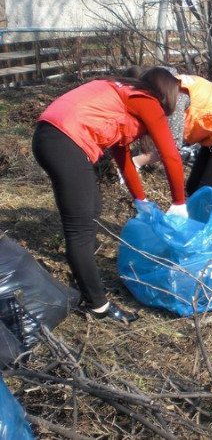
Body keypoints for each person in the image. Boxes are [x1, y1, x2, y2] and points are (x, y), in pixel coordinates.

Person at [32, 70, 188, 324]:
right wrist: (179, 203)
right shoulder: (146, 100)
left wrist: (141, 199)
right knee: (79, 230)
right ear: (166, 95)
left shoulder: (121, 96)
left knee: (92, 206)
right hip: (64, 141)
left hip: (51, 137)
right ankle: (97, 306)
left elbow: (123, 158)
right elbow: (170, 155)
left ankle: (83, 266)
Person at [132, 67, 212, 196]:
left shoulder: (177, 99)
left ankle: (204, 215)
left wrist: (136, 162)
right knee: (193, 189)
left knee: (205, 194)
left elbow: (171, 149)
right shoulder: (171, 80)